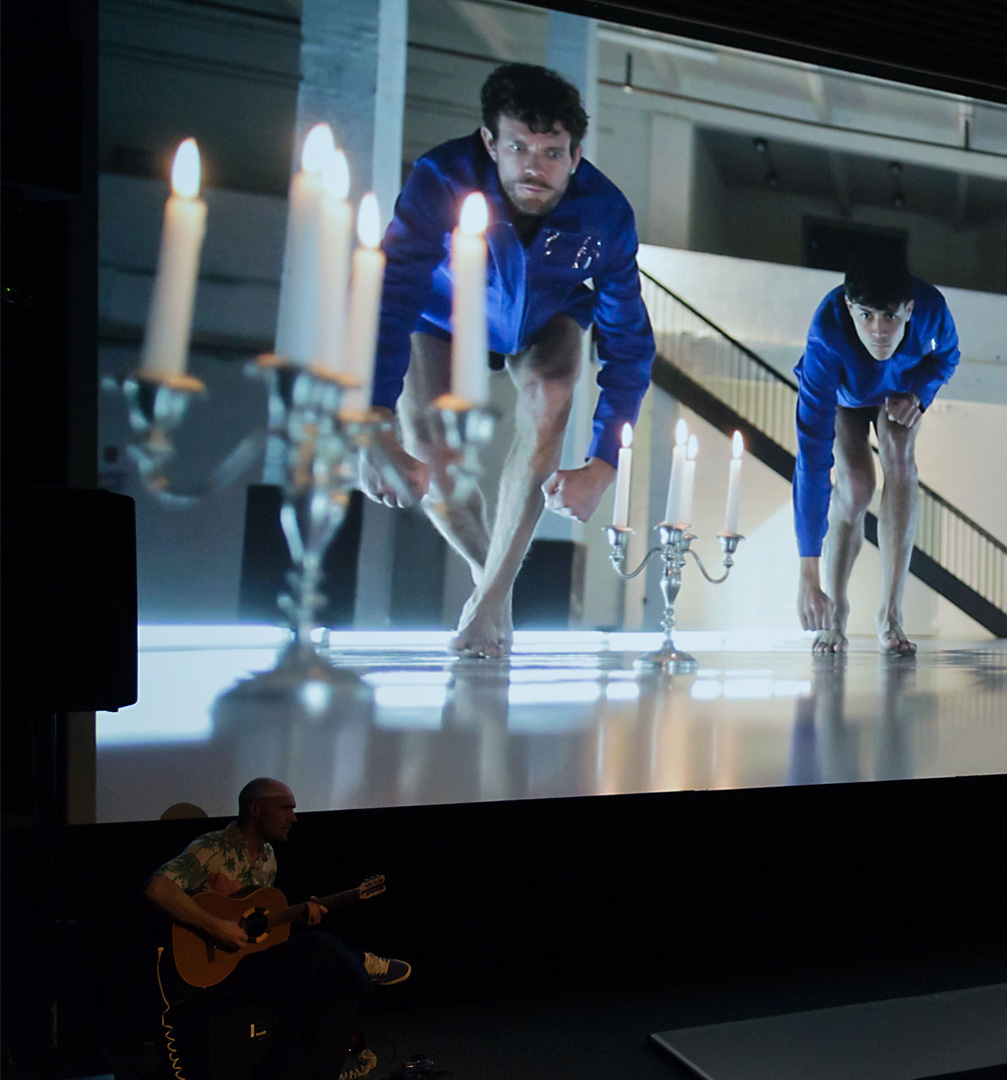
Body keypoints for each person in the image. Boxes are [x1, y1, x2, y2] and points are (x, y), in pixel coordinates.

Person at [360, 63, 655, 659]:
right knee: (432, 456)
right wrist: (373, 423)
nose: (534, 167)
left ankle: (488, 599)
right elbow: (391, 298)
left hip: (549, 318)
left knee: (550, 396)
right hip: (443, 316)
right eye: (519, 146)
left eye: (552, 152)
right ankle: (494, 582)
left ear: (576, 155)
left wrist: (602, 462)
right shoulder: (439, 177)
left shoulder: (607, 215)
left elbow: (629, 342)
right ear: (490, 141)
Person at [144, 779, 409, 1080]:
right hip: (207, 979)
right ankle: (360, 962)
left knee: (333, 982)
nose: (294, 817)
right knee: (320, 947)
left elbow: (256, 926)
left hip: (246, 967)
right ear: (255, 809)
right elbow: (157, 888)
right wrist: (216, 927)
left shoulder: (268, 857)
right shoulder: (211, 848)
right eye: (285, 808)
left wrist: (298, 915)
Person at [792, 254, 960, 655]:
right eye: (866, 316)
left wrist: (919, 394)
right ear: (850, 307)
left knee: (899, 455)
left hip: (899, 392)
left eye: (889, 317)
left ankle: (890, 612)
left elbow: (946, 357)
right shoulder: (826, 335)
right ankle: (835, 612)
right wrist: (807, 571)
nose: (879, 331)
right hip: (844, 397)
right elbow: (811, 458)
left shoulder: (932, 310)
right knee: (855, 486)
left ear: (909, 309)